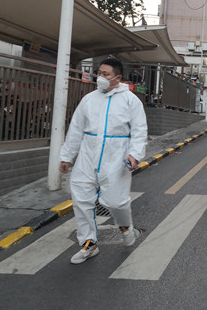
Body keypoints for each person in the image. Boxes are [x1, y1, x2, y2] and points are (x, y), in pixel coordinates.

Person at [60, 58, 147, 264]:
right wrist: (67, 156)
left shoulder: (131, 100)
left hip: (116, 157)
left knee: (116, 201)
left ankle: (125, 226)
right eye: (99, 73)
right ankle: (88, 243)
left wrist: (134, 154)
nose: (100, 77)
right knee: (81, 198)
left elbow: (139, 130)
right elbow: (76, 128)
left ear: (118, 78)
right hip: (88, 154)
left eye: (105, 74)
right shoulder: (89, 99)